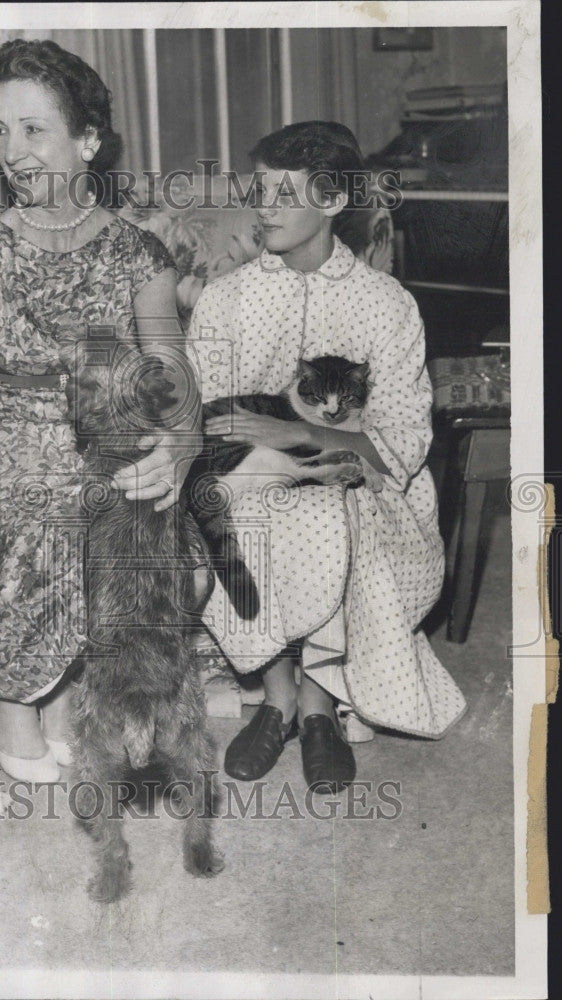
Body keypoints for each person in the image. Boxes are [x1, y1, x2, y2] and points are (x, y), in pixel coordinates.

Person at [0, 39, 198, 782]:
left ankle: (65, 685)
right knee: (61, 523)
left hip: (107, 443)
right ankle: (7, 692)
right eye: (1, 130)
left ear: (87, 140)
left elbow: (173, 376)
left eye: (34, 129)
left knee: (165, 547)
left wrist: (182, 447)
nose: (12, 150)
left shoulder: (140, 258)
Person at [187, 121, 466, 793]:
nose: (266, 206)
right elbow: (205, 426)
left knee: (328, 515)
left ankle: (319, 707)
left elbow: (397, 444)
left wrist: (296, 437)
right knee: (245, 508)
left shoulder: (386, 304)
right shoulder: (228, 298)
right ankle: (278, 697)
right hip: (250, 477)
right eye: (261, 189)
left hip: (365, 487)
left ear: (335, 201)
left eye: (286, 192)